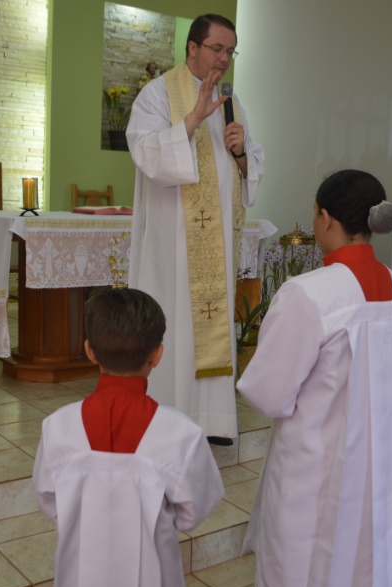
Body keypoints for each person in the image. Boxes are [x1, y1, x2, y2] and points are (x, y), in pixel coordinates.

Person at [238, 170, 392, 587]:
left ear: (324, 218)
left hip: (315, 473)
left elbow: (267, 392)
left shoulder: (309, 292)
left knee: (302, 584)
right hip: (378, 474)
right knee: (360, 575)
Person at [32, 288, 224, 587]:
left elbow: (48, 502)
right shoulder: (181, 434)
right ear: (157, 355)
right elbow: (192, 513)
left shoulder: (58, 427)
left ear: (89, 350)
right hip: (155, 583)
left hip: (81, 584)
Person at [126, 13, 265, 444]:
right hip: (172, 243)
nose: (224, 59)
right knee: (171, 319)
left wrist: (242, 155)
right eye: (216, 49)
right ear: (192, 47)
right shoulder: (157, 94)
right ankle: (167, 415)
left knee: (210, 321)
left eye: (230, 51)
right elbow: (146, 153)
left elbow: (249, 164)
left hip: (214, 243)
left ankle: (212, 419)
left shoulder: (231, 100)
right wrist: (191, 120)